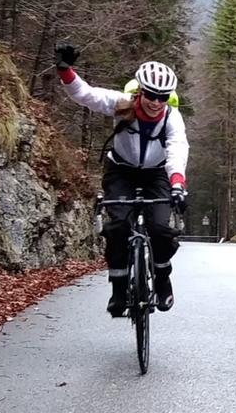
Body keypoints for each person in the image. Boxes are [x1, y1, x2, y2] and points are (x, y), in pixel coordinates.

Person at [54, 45, 189, 316]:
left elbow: (178, 148)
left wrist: (177, 184)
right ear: (140, 91)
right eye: (151, 94)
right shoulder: (122, 104)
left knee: (161, 230)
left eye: (162, 97)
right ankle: (118, 289)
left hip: (157, 174)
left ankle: (162, 278)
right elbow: (85, 94)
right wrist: (65, 70)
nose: (155, 102)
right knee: (117, 227)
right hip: (121, 170)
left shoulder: (172, 118)